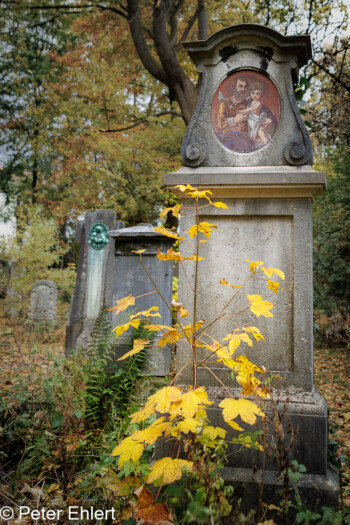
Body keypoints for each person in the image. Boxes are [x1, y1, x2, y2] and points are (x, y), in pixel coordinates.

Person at [216, 76, 257, 152]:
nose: (243, 90)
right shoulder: (225, 103)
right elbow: (220, 124)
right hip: (226, 136)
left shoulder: (249, 103)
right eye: (240, 86)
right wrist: (234, 120)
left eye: (245, 87)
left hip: (243, 137)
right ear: (234, 88)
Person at [237, 82, 277, 146]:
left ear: (261, 95)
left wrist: (243, 111)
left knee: (261, 133)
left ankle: (268, 145)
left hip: (257, 121)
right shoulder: (250, 100)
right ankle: (261, 145)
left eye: (257, 94)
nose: (255, 95)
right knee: (255, 137)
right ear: (250, 93)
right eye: (253, 93)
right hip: (252, 122)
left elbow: (251, 109)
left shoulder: (258, 103)